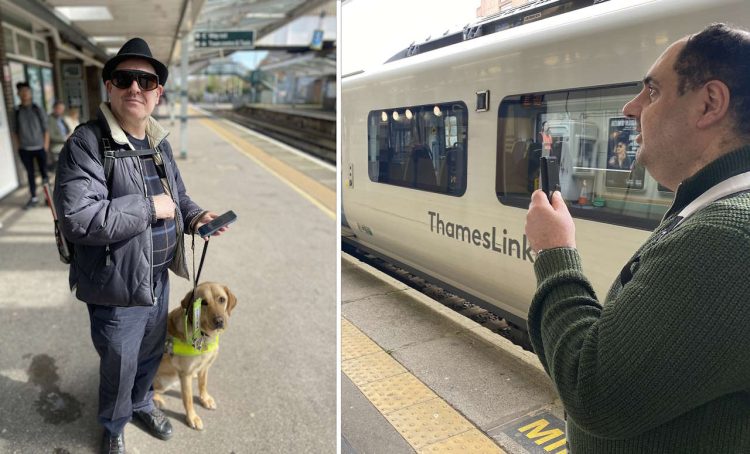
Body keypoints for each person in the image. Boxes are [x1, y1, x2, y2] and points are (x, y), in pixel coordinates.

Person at [524, 23, 749, 452]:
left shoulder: (726, 237)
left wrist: (554, 252)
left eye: (652, 92)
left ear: (710, 103)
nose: (630, 109)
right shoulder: (713, 209)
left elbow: (592, 391)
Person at [53, 38, 229, 454]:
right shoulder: (86, 144)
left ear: (157, 94)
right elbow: (79, 218)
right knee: (119, 362)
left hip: (157, 277)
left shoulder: (158, 142)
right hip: (115, 286)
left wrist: (197, 216)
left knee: (151, 350)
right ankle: (113, 425)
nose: (135, 87)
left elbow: (178, 198)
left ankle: (141, 402)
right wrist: (150, 208)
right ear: (109, 88)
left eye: (145, 81)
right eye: (124, 78)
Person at [12, 81, 49, 208]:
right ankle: (33, 197)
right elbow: (15, 131)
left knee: (44, 174)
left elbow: (45, 129)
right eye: (22, 92)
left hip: (40, 147)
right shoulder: (16, 112)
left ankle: (47, 197)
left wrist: (45, 146)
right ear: (18, 94)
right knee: (30, 174)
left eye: (27, 91)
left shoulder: (37, 109)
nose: (24, 94)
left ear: (30, 93)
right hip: (25, 149)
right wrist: (19, 147)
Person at [48, 100, 71, 171]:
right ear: (54, 108)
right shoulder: (49, 119)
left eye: (62, 109)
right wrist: (64, 138)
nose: (60, 111)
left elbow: (68, 129)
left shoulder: (61, 118)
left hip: (65, 146)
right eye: (59, 109)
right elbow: (51, 135)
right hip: (56, 148)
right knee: (58, 170)